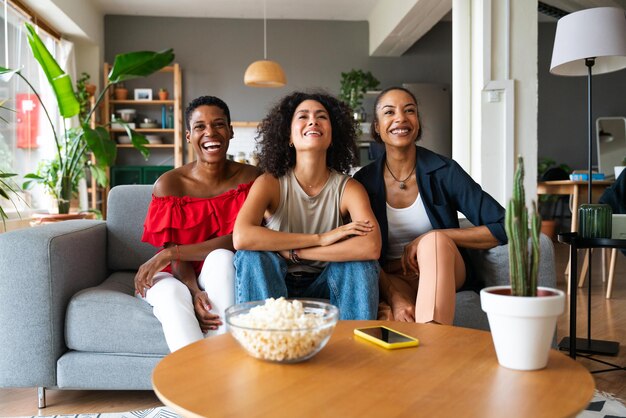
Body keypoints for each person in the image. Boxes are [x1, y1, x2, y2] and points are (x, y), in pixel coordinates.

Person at [353, 87, 507, 325]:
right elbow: (358, 249)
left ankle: (433, 345)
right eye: (389, 112)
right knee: (396, 318)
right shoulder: (363, 182)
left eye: (409, 111)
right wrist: (394, 297)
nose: (400, 118)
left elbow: (504, 225)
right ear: (377, 126)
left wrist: (438, 234)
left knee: (433, 242)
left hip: (446, 268)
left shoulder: (445, 172)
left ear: (417, 122)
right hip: (394, 277)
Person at [233, 91, 381, 319]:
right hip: (276, 276)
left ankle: (355, 349)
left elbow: (370, 246)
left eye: (321, 116)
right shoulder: (270, 182)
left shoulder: (349, 188)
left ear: (332, 136)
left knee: (361, 265)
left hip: (325, 279)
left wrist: (298, 252)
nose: (313, 120)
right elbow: (242, 237)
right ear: (289, 137)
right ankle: (265, 342)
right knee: (251, 257)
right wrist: (320, 238)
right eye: (303, 116)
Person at [134, 95, 260, 352]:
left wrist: (171, 252)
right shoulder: (170, 183)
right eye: (200, 127)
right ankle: (196, 382)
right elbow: (175, 260)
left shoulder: (254, 178)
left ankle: (221, 363)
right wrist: (192, 291)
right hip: (175, 273)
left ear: (230, 131)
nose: (210, 132)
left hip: (223, 272)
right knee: (172, 295)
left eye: (219, 124)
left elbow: (241, 238)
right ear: (189, 135)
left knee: (223, 257)